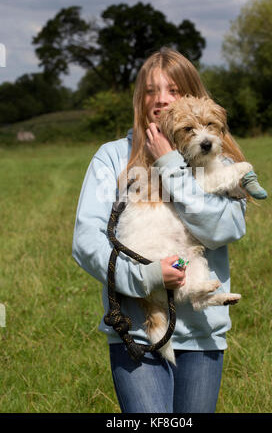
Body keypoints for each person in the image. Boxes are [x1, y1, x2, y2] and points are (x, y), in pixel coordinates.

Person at [72, 47, 249, 413]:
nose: (162, 99)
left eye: (174, 89)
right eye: (152, 91)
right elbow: (85, 241)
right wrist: (145, 277)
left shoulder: (217, 158)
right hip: (135, 332)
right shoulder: (113, 157)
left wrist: (171, 164)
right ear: (140, 97)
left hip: (203, 332)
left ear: (193, 96)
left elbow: (226, 228)